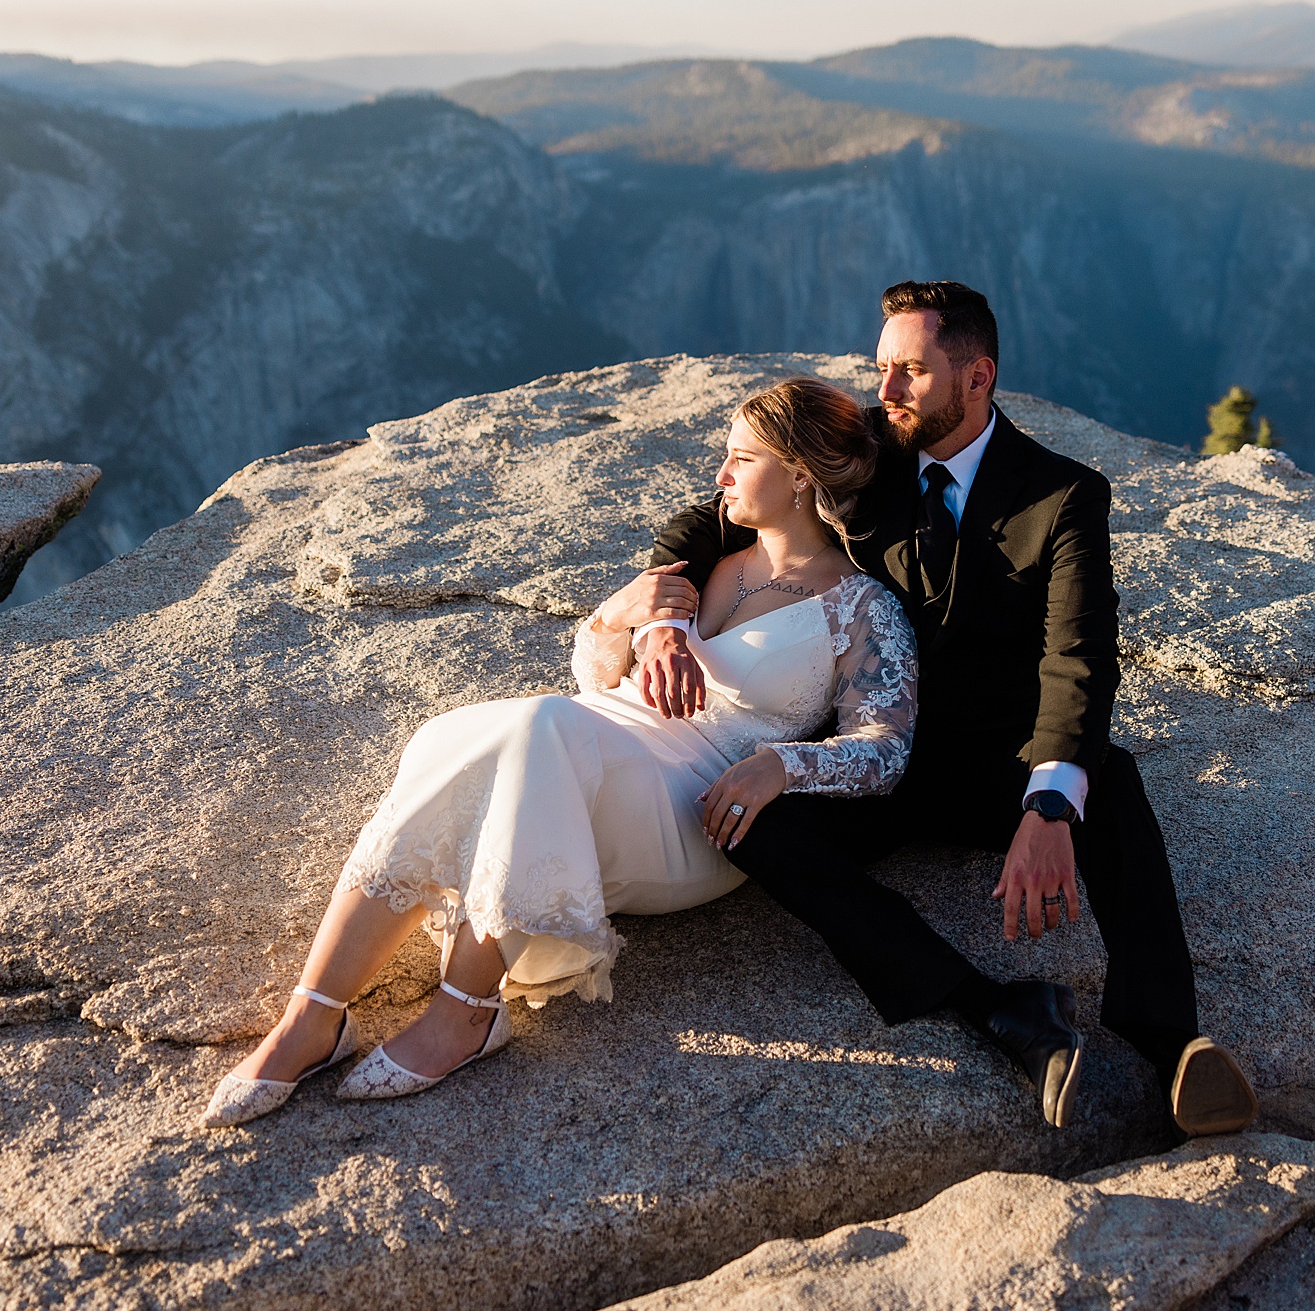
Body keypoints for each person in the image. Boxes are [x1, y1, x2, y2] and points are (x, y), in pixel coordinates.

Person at [204, 378, 918, 1127]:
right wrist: (619, 614)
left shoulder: (862, 607)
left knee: (540, 729)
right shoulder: (708, 563)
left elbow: (886, 750)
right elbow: (598, 676)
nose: (721, 475)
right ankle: (312, 1017)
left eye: (741, 458)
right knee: (464, 732)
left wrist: (781, 765)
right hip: (597, 735)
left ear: (802, 475)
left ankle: (466, 1011)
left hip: (690, 809)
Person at [633, 280, 1256, 1134]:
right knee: (757, 822)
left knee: (1110, 786)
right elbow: (704, 523)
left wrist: (1045, 807)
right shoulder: (866, 452)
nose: (884, 393)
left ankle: (1175, 1045)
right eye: (882, 368)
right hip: (868, 752)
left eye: (910, 373)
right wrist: (664, 622)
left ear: (977, 377)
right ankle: (1001, 1010)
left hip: (993, 761)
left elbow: (1079, 658)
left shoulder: (1063, 497)